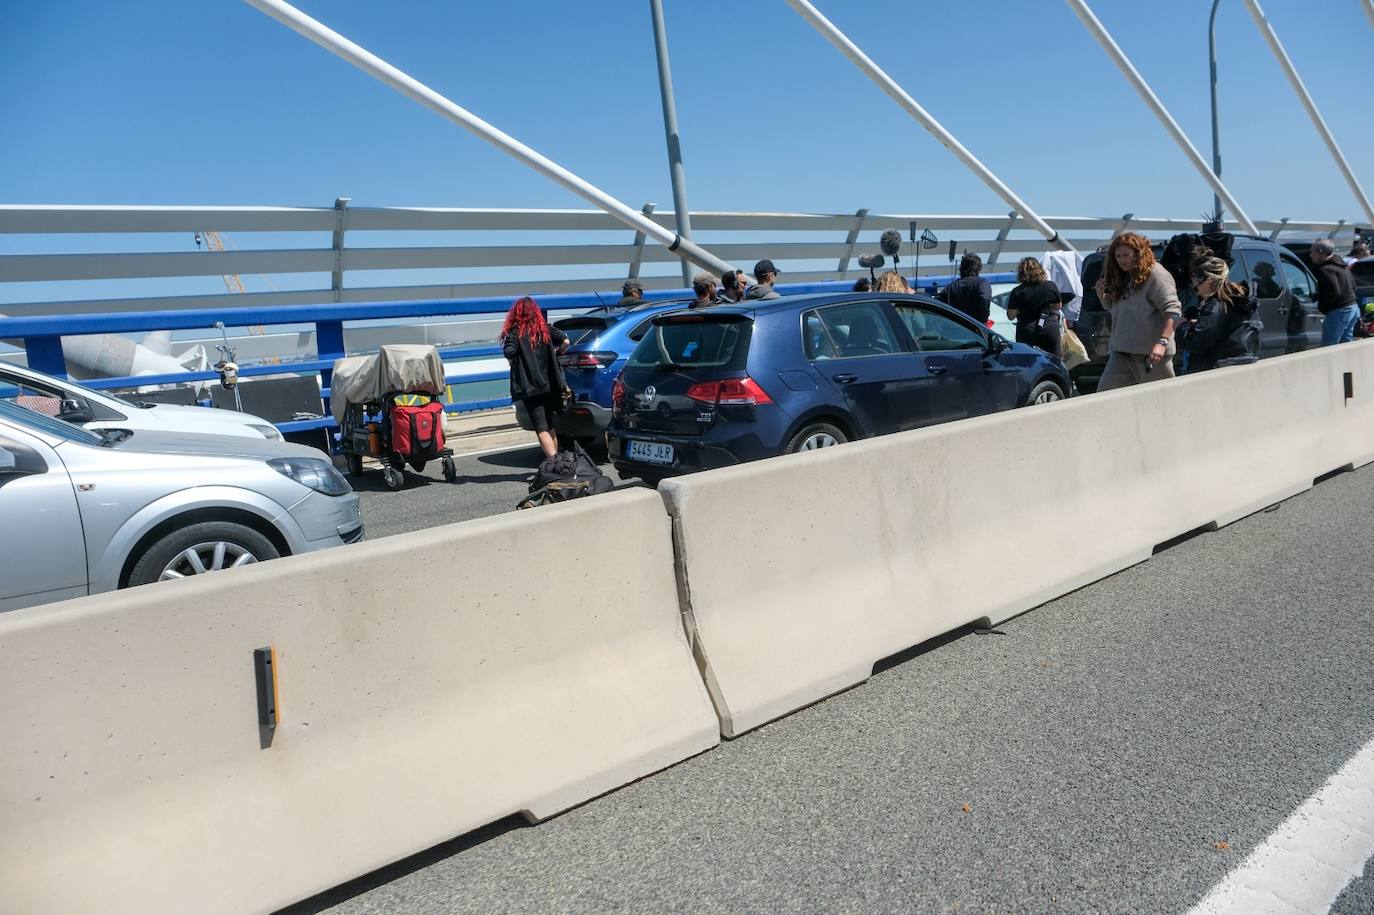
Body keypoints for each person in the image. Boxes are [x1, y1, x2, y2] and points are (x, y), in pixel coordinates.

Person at [1092, 232, 1182, 390]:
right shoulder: (1121, 276)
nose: (1122, 260)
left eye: (1126, 255)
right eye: (1118, 256)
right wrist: (1102, 296)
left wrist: (1162, 343)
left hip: (1151, 356)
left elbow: (1173, 312)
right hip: (1121, 353)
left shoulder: (1156, 275)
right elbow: (1116, 309)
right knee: (1104, 397)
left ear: (1138, 253)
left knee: (1161, 400)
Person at [501, 296, 569, 458]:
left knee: (540, 427)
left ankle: (554, 462)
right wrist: (558, 352)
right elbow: (566, 341)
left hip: (530, 386)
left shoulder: (515, 332)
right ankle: (556, 460)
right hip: (550, 383)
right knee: (549, 425)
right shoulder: (545, 328)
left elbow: (509, 352)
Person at [1175, 255, 1260, 373]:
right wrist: (1199, 323)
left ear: (1208, 280)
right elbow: (1222, 331)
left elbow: (1197, 342)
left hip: (1214, 369)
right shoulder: (1241, 301)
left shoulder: (1216, 306)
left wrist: (1182, 325)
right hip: (1239, 367)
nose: (1197, 293)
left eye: (1196, 287)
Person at [1005, 257, 1062, 358]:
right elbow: (1058, 306)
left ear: (1021, 273)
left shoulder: (1017, 291)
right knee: (1054, 361)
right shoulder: (1050, 286)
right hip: (1049, 327)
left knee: (1027, 361)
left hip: (1027, 330)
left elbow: (1011, 316)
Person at [1310, 237, 1358, 345]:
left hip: (1339, 311)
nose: (1310, 255)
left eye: (1312, 252)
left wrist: (1323, 307)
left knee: (1329, 347)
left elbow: (1333, 292)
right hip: (1353, 308)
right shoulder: (1343, 266)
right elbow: (1354, 286)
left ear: (1321, 252)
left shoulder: (1325, 270)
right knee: (1345, 345)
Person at [937, 253, 992, 324]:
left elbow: (937, 302)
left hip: (955, 326)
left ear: (961, 268)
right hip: (975, 327)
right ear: (979, 268)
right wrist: (983, 319)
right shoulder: (982, 283)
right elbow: (985, 299)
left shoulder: (951, 286)